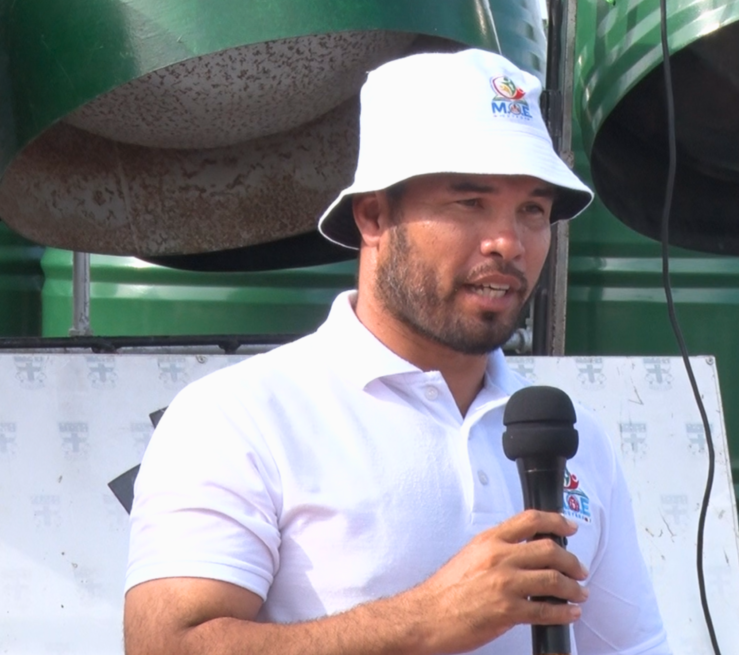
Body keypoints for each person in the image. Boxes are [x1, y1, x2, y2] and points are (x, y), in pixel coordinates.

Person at [123, 48, 670, 655]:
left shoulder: (576, 439)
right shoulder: (239, 417)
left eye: (533, 210)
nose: (508, 242)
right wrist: (425, 620)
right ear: (374, 217)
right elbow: (165, 646)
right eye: (470, 203)